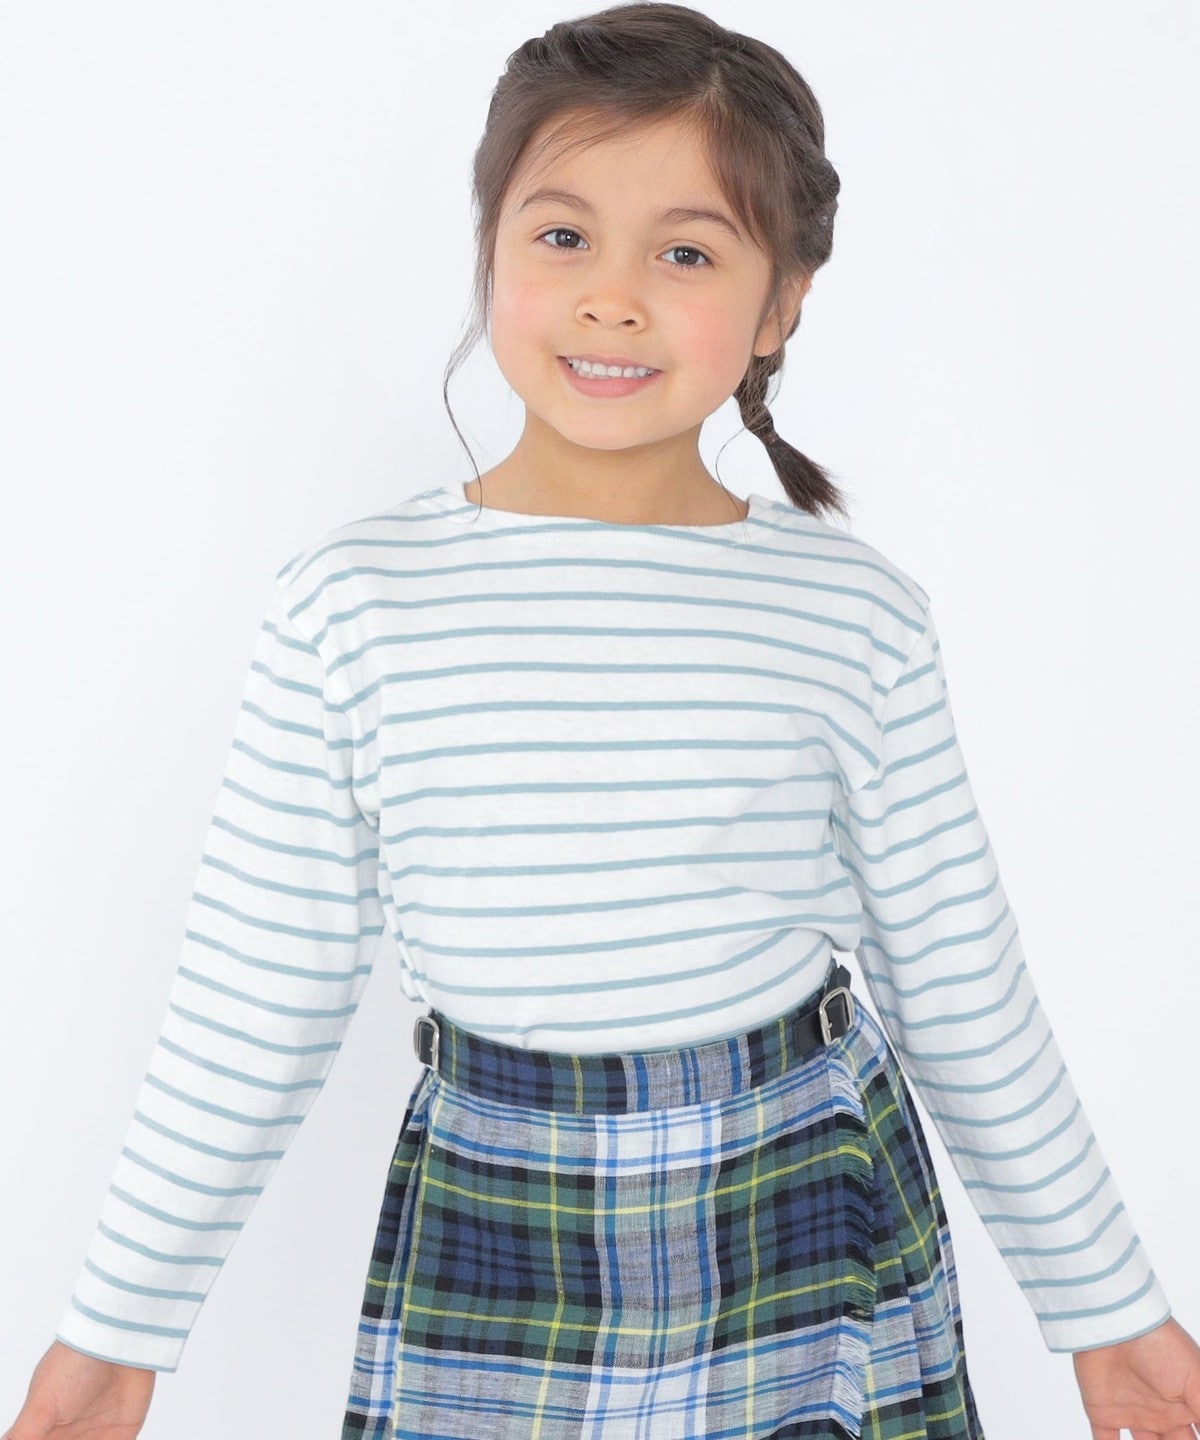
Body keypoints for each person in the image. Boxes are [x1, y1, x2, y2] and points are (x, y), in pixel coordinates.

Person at [5, 4, 1198, 1438]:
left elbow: (959, 983)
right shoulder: (354, 604)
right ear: (491, 252)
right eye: (563, 235)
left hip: (798, 1204)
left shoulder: (853, 611)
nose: (612, 298)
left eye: (685, 253)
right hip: (494, 1214)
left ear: (780, 305)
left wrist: (1106, 1306)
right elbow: (255, 997)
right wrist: (116, 1330)